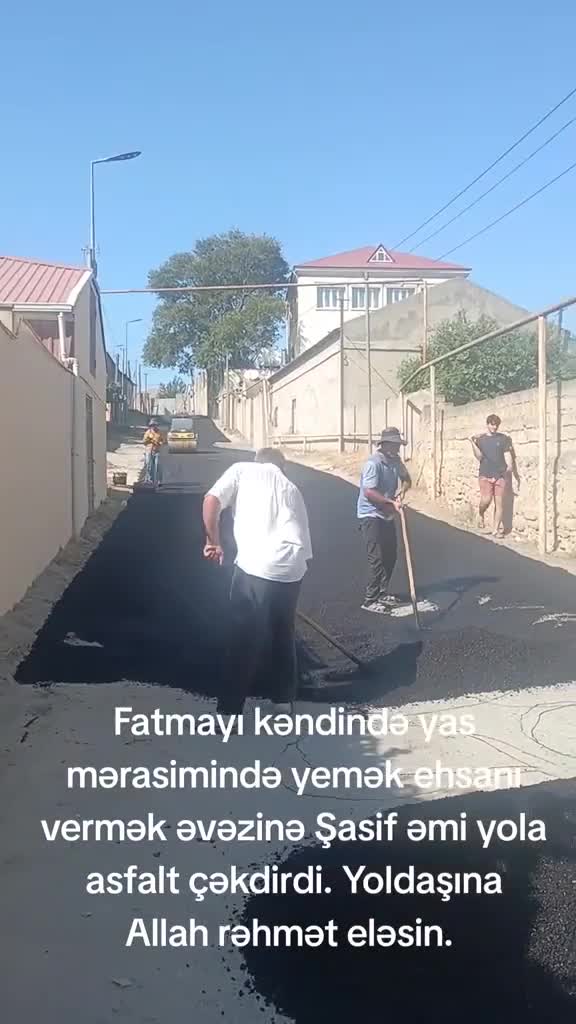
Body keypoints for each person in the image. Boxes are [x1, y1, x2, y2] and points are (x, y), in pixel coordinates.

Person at [202, 448, 312, 715]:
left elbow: (211, 500)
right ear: (281, 466)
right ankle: (282, 703)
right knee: (283, 631)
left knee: (244, 636)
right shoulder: (291, 487)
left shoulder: (242, 469)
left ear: (258, 461)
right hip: (293, 568)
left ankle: (228, 712)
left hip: (256, 566)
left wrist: (213, 541)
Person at [357, 427, 411, 614]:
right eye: (395, 444)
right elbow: (369, 492)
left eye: (399, 444)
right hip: (370, 514)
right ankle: (370, 600)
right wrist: (390, 502)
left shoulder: (396, 461)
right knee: (377, 558)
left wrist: (402, 491)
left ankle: (382, 592)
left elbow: (406, 479)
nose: (398, 448)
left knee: (390, 555)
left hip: (387, 513)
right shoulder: (373, 464)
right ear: (385, 444)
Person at [470, 414, 520, 536]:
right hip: (485, 474)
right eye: (492, 424)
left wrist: (509, 467)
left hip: (500, 474)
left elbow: (508, 454)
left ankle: (495, 530)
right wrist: (472, 442)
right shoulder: (481, 440)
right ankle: (481, 513)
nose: (494, 427)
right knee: (486, 500)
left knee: (499, 502)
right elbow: (479, 456)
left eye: (496, 425)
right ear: (487, 424)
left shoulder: (503, 439)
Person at [143, 419, 165, 486]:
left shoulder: (159, 433)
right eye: (152, 425)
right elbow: (144, 442)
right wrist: (149, 440)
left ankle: (159, 481)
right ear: (151, 426)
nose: (154, 427)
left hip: (157, 451)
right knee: (149, 466)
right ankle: (150, 480)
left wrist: (160, 443)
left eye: (155, 425)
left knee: (158, 466)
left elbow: (163, 441)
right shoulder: (148, 432)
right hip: (149, 451)